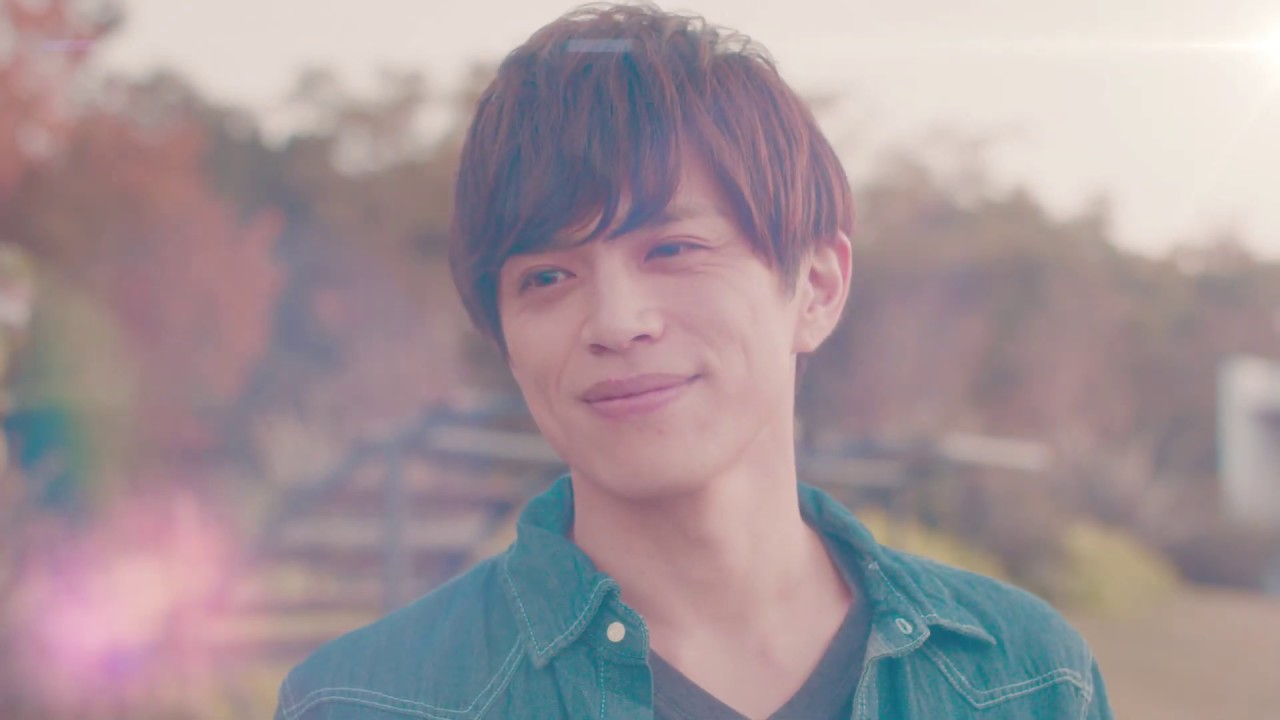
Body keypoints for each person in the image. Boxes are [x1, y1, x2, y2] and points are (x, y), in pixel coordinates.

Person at [274, 2, 1114, 718]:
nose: (616, 322)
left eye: (673, 249)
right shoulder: (366, 702)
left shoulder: (1029, 682)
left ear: (816, 287)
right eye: (548, 277)